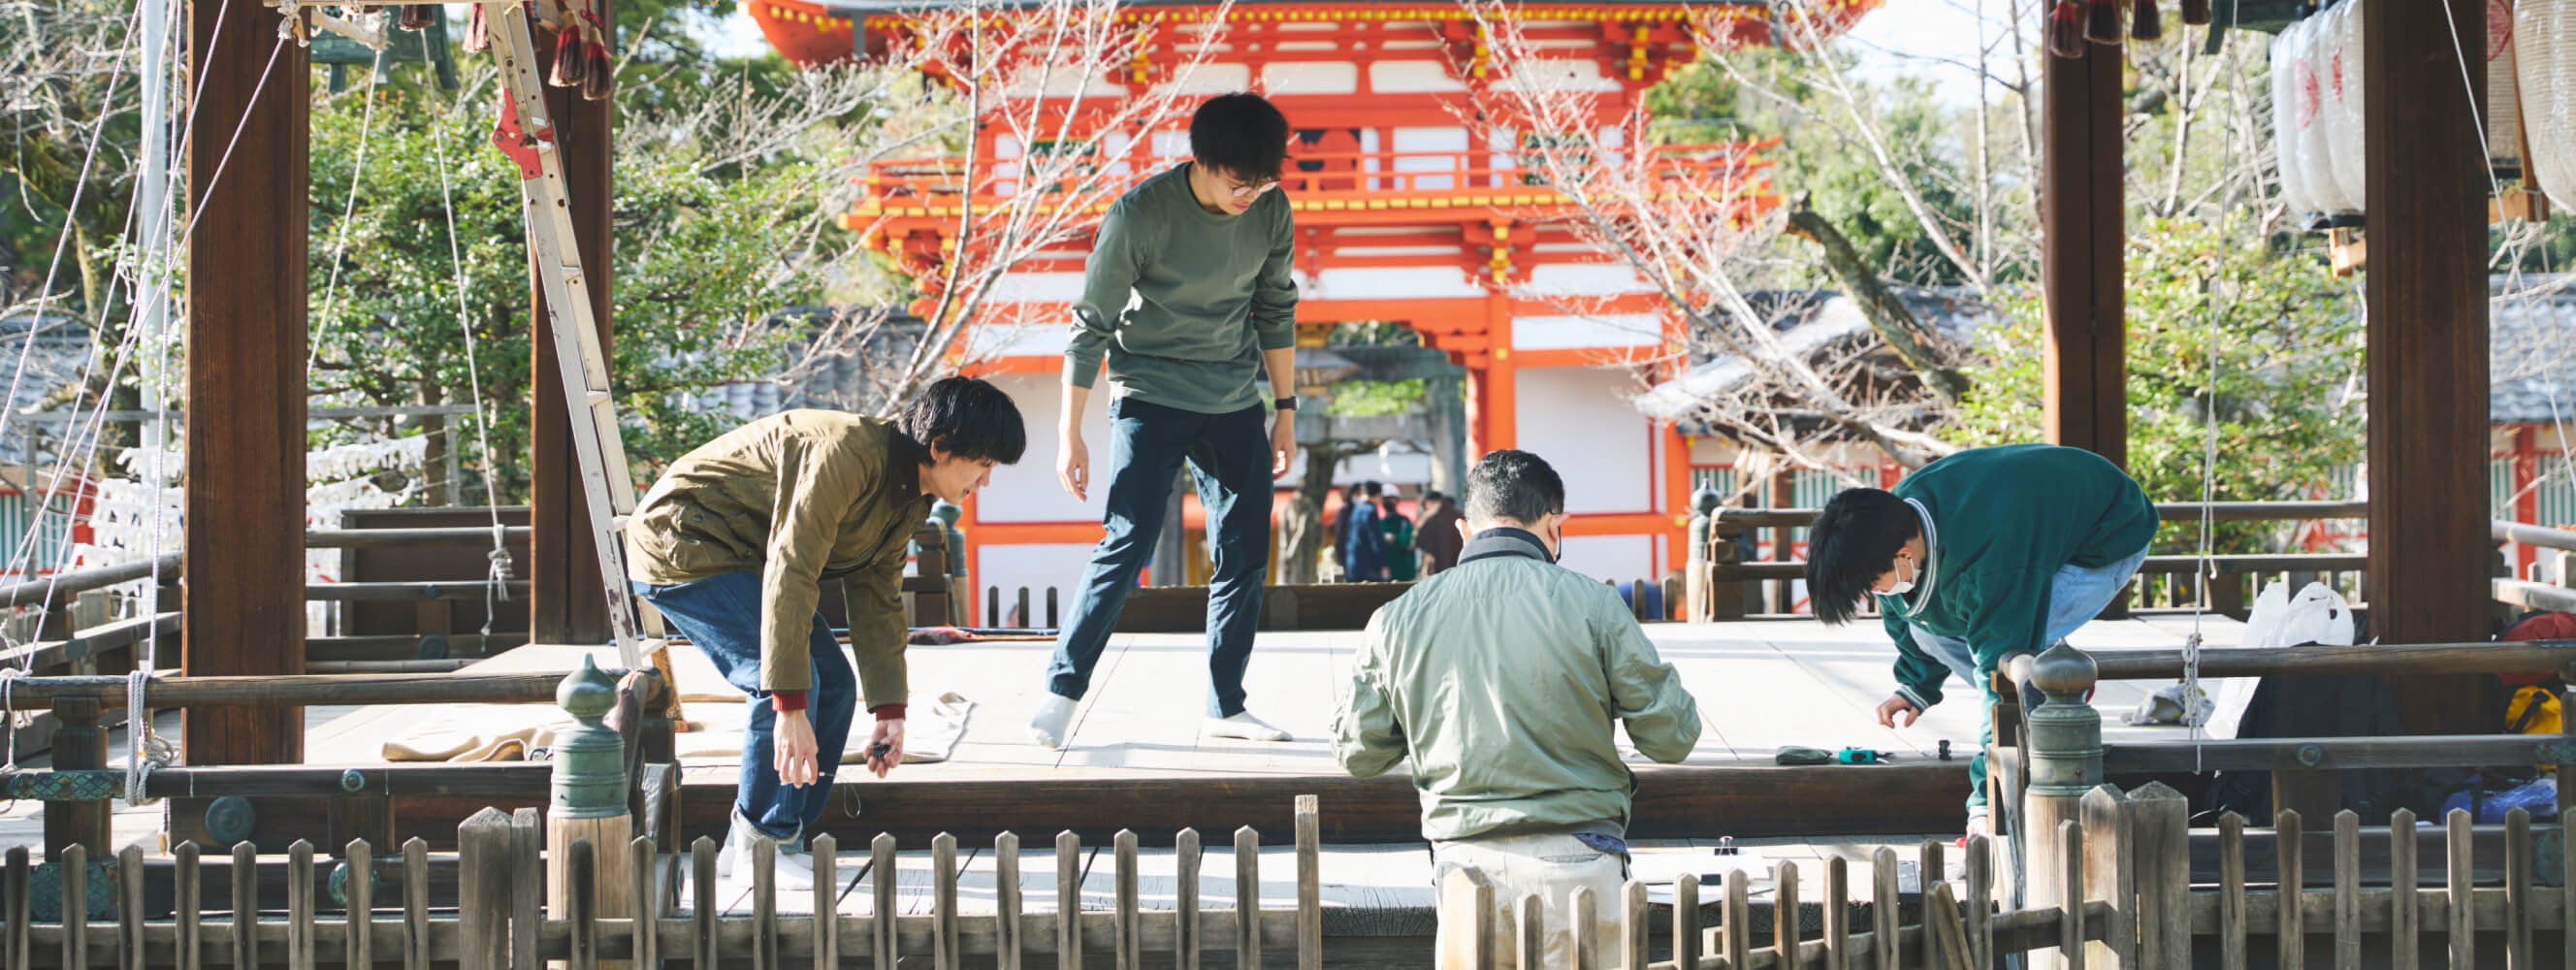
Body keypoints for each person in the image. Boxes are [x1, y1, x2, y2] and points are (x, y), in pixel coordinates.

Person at [626, 377, 1026, 891]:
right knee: (786, 683)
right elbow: (792, 569)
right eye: (984, 464)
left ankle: (767, 839)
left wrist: (889, 711)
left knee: (833, 684)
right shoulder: (843, 455)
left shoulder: (909, 497)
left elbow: (878, 601)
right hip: (684, 542)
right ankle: (761, 842)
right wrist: (788, 706)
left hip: (747, 558)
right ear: (940, 446)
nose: (985, 482)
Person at [1334, 450, 1702, 965]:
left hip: (1465, 866)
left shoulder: (1396, 619)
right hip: (1580, 859)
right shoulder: (1593, 604)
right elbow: (1672, 737)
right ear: (1554, 526)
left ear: (1465, 530)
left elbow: (1359, 754)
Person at [1034, 92, 1302, 749]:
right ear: (1203, 163)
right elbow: (1089, 326)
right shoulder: (1139, 216)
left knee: (1243, 549)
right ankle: (1061, 694)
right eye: (1242, 181)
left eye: (1265, 180)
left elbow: (1276, 308)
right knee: (1128, 539)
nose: (1253, 194)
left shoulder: (1270, 209)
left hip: (1233, 395)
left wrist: (1287, 412)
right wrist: (1070, 432)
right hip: (1149, 390)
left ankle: (1225, 706)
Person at [1805, 443, 2156, 838]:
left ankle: (2054, 689)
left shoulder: (1993, 566)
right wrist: (1916, 685)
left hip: (2107, 531)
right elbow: (1905, 612)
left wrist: (1982, 802)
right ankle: (2048, 690)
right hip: (2028, 514)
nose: (1872, 595)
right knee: (1931, 626)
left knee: (2014, 661)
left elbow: (1999, 681)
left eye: (1870, 585)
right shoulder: (1885, 521)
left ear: (1904, 555)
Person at [1340, 481, 1386, 582]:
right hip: (1369, 567)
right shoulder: (1370, 511)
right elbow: (1376, 540)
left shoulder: (1356, 510)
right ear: (1378, 494)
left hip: (1353, 564)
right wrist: (1383, 564)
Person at [1414, 489, 1464, 575]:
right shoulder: (1460, 515)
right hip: (1459, 567)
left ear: (1428, 502)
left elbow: (1419, 541)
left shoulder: (1429, 519)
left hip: (1437, 571)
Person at [1377, 484, 1418, 582]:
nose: (1387, 502)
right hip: (1385, 575)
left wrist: (1395, 539)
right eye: (1385, 499)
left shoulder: (1404, 522)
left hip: (1404, 574)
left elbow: (1410, 541)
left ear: (1397, 500)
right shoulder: (1379, 523)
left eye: (1390, 499)